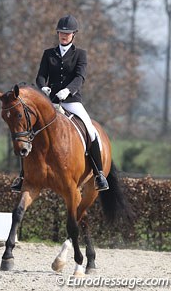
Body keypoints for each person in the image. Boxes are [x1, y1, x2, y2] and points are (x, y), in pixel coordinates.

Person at [11, 14, 109, 192]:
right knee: (28, 131)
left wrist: (69, 90)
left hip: (71, 101)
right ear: (58, 33)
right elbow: (41, 75)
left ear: (74, 35)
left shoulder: (80, 54)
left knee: (91, 130)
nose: (64, 36)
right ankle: (22, 176)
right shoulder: (48, 54)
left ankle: (99, 173)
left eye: (68, 33)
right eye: (61, 33)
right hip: (50, 102)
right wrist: (43, 88)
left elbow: (80, 77)